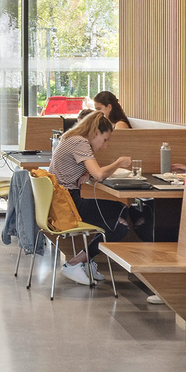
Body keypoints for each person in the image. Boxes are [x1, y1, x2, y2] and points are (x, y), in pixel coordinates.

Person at [48, 109, 136, 285]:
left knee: (119, 222)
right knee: (121, 216)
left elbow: (88, 171)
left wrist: (86, 173)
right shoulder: (80, 142)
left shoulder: (71, 139)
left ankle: (84, 262)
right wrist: (119, 162)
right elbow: (100, 175)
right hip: (69, 205)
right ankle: (76, 263)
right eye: (105, 140)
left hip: (61, 202)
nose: (105, 146)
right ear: (95, 132)